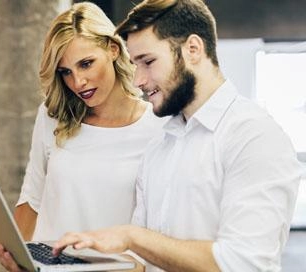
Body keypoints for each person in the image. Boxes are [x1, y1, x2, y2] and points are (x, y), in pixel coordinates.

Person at [52, 0, 302, 271]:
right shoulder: (160, 145)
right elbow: (141, 262)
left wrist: (131, 237)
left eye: (148, 62)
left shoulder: (255, 137)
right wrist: (67, 266)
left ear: (193, 49)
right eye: (135, 64)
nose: (138, 80)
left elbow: (243, 263)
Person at [0, 2, 164, 271]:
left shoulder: (157, 128)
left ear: (113, 49)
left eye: (86, 64)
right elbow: (32, 197)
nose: (78, 82)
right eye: (66, 72)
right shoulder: (53, 116)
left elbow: (156, 230)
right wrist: (19, 258)